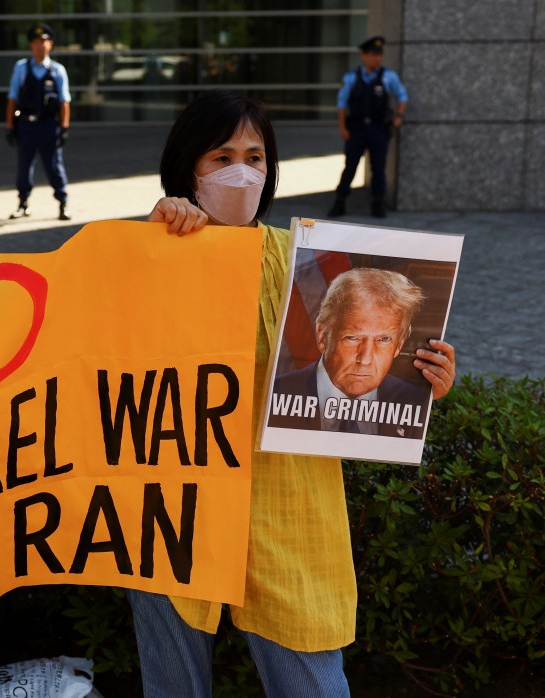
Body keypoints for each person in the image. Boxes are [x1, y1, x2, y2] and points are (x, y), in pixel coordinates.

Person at [130, 90, 456, 697]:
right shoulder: (153, 251)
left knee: (313, 683)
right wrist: (153, 248)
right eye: (221, 155)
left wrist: (418, 380)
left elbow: (354, 387)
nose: (242, 170)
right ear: (186, 171)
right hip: (174, 508)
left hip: (292, 502)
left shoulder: (313, 263)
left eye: (255, 156)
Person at [269, 267, 430, 437]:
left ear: (399, 345)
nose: (365, 359)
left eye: (383, 340)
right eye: (353, 338)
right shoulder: (274, 395)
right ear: (323, 337)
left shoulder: (417, 401)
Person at [327, 36, 408, 219]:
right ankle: (340, 201)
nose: (377, 58)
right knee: (350, 166)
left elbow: (403, 96)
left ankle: (378, 204)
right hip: (356, 129)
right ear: (363, 56)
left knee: (378, 168)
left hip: (379, 130)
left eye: (379, 55)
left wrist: (399, 116)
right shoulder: (351, 78)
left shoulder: (388, 76)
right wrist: (342, 128)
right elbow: (342, 104)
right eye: (373, 54)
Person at [4, 23, 72, 221]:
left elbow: (64, 101)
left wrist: (65, 127)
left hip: (49, 125)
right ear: (31, 45)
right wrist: (9, 126)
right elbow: (12, 98)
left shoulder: (58, 70)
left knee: (54, 165)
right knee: (24, 165)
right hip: (26, 125)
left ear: (50, 44)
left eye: (44, 42)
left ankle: (63, 203)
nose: (40, 46)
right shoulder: (21, 68)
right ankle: (23, 203)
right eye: (36, 42)